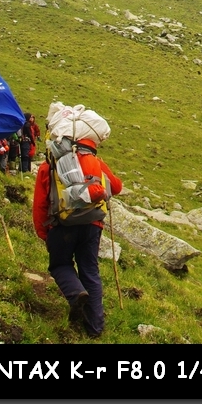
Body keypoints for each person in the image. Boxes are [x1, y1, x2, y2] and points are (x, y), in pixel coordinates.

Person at [32, 123, 122, 337]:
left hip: (61, 224)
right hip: (93, 224)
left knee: (60, 264)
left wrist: (43, 232)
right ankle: (95, 328)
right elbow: (116, 187)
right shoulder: (96, 162)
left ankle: (75, 292)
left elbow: (40, 203)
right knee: (90, 270)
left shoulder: (50, 165)